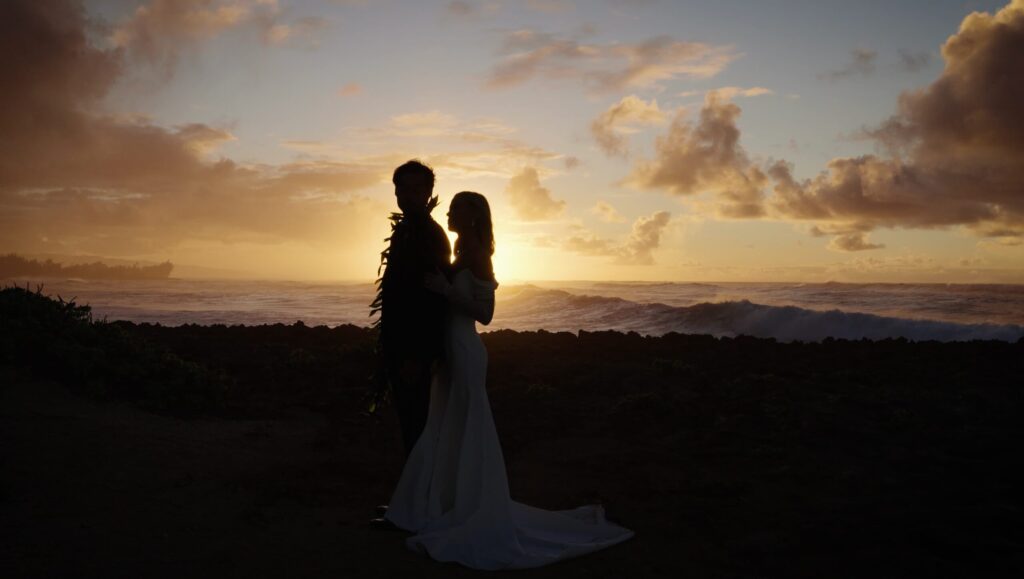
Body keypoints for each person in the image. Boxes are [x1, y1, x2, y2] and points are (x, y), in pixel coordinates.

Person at [384, 191, 634, 570]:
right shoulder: (461, 250)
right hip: (451, 352)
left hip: (466, 351)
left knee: (467, 426)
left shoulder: (479, 255)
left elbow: (485, 314)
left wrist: (446, 290)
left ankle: (467, 506)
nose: (448, 212)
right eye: (449, 208)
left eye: (456, 209)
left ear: (472, 217)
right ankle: (443, 502)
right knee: (446, 426)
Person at [379, 160, 452, 456]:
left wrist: (418, 356)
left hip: (414, 352)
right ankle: (415, 495)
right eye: (402, 189)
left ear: (428, 193)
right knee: (409, 425)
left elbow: (432, 301)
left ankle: (422, 498)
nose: (408, 195)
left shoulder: (430, 236)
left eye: (415, 189)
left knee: (418, 425)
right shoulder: (404, 231)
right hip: (398, 346)